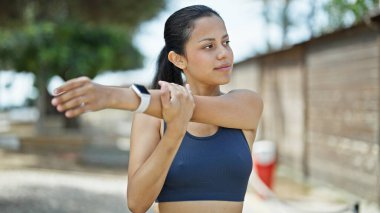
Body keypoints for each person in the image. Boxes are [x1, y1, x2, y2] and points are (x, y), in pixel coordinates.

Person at [51, 5, 263, 213]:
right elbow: (137, 204)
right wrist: (173, 134)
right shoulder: (150, 118)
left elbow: (187, 106)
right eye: (209, 46)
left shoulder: (247, 104)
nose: (223, 53)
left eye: (226, 42)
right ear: (178, 59)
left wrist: (113, 96)